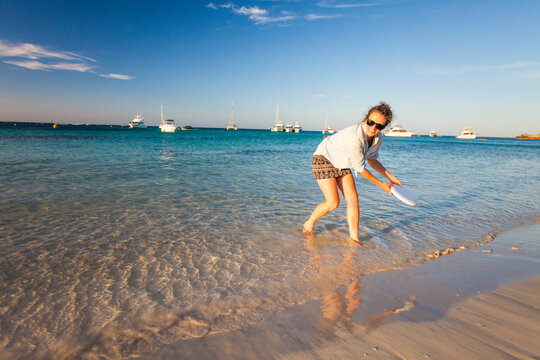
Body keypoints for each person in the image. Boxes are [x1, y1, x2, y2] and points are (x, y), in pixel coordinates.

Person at [303, 101, 402, 245]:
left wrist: (392, 178)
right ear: (365, 118)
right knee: (333, 202)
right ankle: (308, 223)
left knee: (353, 198)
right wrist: (382, 185)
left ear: (384, 127)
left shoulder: (378, 138)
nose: (374, 128)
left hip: (342, 161)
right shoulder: (354, 137)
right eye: (371, 122)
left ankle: (354, 239)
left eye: (379, 126)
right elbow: (360, 169)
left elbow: (372, 160)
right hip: (324, 158)